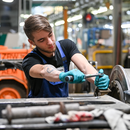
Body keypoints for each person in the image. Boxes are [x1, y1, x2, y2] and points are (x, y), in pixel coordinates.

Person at [22, 14, 110, 98]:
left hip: (63, 104)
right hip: (40, 109)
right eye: (42, 40)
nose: (49, 42)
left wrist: (97, 79)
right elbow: (43, 71)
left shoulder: (66, 46)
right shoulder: (30, 60)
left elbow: (85, 66)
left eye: (50, 35)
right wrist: (62, 76)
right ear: (32, 42)